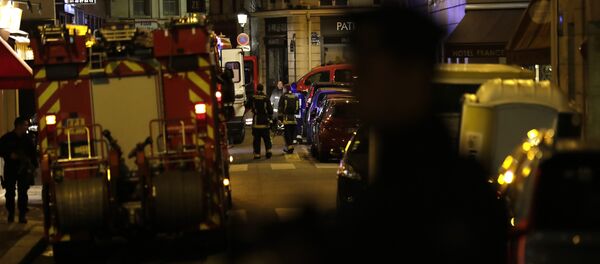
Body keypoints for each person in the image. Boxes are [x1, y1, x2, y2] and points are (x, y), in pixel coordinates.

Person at [0, 117, 37, 223]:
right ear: (18, 126)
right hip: (10, 168)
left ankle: (22, 215)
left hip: (23, 169)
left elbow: (33, 154)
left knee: (23, 193)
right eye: (25, 125)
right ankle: (11, 213)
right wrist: (9, 155)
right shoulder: (7, 138)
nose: (27, 127)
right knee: (10, 193)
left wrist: (34, 167)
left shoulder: (28, 139)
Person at [246, 84, 273, 159]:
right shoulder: (266, 98)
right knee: (267, 138)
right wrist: (270, 118)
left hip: (256, 121)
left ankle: (257, 154)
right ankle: (268, 151)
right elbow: (270, 110)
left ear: (256, 89)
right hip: (264, 120)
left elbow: (247, 105)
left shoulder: (252, 97)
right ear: (263, 89)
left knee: (257, 139)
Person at [278, 84, 300, 154]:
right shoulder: (295, 97)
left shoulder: (283, 96)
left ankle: (289, 147)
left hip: (286, 118)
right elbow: (297, 109)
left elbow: (280, 108)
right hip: (293, 119)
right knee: (291, 133)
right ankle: (289, 147)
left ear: (285, 89)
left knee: (287, 134)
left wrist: (280, 119)